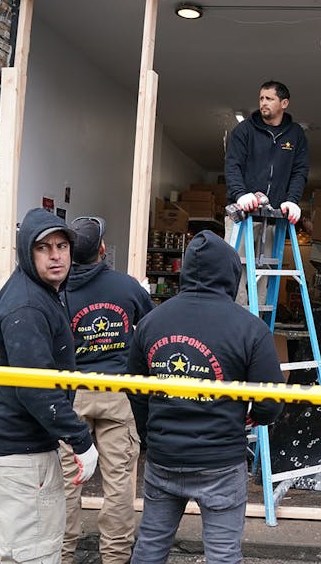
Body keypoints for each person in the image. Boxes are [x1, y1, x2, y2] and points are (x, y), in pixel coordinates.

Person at [127, 230, 285, 564]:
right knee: (223, 554)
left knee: (151, 546)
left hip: (164, 457)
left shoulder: (151, 322)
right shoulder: (250, 328)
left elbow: (135, 390)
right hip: (220, 461)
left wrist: (150, 436)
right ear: (231, 274)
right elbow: (271, 400)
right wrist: (256, 416)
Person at [0, 208, 98, 564]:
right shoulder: (27, 306)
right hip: (19, 461)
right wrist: (81, 440)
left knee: (16, 555)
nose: (56, 255)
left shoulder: (38, 293)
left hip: (10, 454)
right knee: (34, 557)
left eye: (62, 246)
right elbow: (36, 387)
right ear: (27, 252)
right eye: (44, 248)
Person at [60, 216, 155, 564]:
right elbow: (150, 329)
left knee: (69, 481)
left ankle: (62, 554)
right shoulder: (126, 287)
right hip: (118, 394)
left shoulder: (59, 288)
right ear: (102, 250)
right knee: (119, 482)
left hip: (73, 395)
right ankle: (115, 558)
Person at [225, 80, 308, 228]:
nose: (263, 102)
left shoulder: (296, 134)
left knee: (272, 253)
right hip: (242, 213)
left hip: (275, 217)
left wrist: (292, 201)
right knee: (235, 253)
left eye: (269, 99)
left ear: (284, 103)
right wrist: (240, 194)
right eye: (261, 98)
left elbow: (299, 171)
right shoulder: (244, 130)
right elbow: (232, 165)